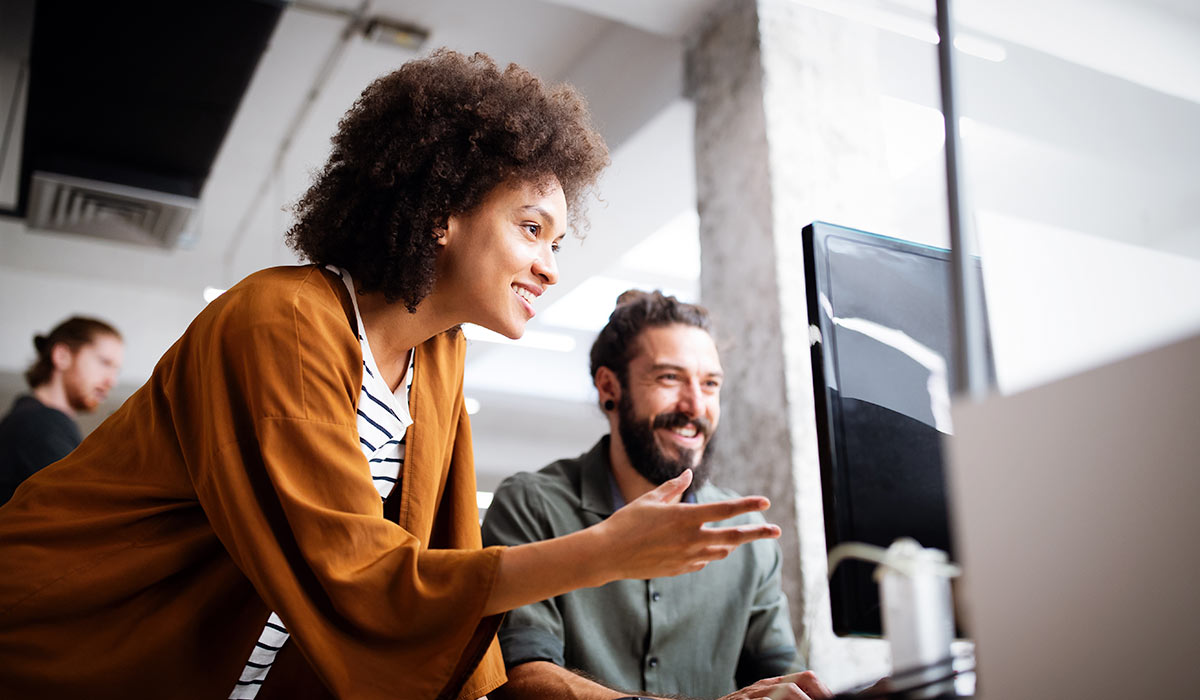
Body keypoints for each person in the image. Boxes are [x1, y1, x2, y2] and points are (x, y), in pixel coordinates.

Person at [0, 50, 783, 700]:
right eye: (531, 228)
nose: (549, 267)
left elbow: (436, 557)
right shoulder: (281, 322)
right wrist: (605, 551)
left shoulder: (438, 358)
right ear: (443, 211)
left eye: (557, 241)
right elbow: (360, 576)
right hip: (59, 643)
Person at [482, 291, 834, 700]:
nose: (695, 406)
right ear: (609, 387)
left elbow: (781, 681)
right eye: (669, 378)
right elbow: (519, 678)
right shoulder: (531, 507)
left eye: (710, 384)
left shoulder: (746, 534)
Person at [0, 316, 123, 507]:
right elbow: (84, 509)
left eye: (116, 370)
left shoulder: (36, 419)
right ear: (62, 356)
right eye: (105, 363)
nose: (112, 381)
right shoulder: (39, 423)